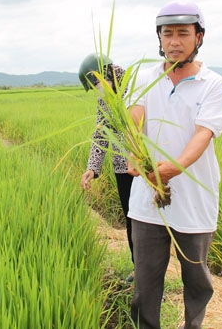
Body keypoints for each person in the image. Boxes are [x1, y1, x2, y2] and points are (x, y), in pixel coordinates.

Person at [126, 1, 222, 329]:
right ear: (159, 38)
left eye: (183, 34)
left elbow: (202, 137)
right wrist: (135, 154)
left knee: (197, 280)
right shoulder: (144, 78)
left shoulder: (214, 85)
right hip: (146, 203)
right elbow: (133, 121)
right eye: (167, 33)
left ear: (198, 37)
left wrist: (168, 170)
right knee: (145, 283)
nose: (174, 41)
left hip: (194, 202)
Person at [79, 53, 135, 280]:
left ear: (104, 73)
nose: (97, 91)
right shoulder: (105, 99)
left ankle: (153, 276)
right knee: (131, 220)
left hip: (145, 169)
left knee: (148, 224)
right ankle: (139, 268)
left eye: (95, 84)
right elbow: (101, 135)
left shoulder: (135, 87)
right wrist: (92, 167)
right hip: (122, 169)